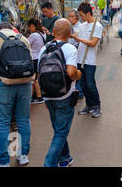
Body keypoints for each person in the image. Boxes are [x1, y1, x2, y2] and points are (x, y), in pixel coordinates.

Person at [0, 22, 34, 167]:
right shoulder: (23, 39)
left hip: (4, 84)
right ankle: (22, 156)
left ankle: (3, 162)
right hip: (25, 83)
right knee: (23, 120)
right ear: (11, 29)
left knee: (3, 123)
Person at [38, 19, 82, 167]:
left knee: (58, 129)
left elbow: (39, 74)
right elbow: (71, 72)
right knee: (61, 133)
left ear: (54, 32)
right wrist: (78, 74)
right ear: (69, 34)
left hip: (48, 95)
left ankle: (65, 158)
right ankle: (48, 164)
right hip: (64, 95)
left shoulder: (44, 49)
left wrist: (43, 96)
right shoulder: (69, 48)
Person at [70, 2, 103, 118]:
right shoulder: (83, 25)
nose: (81, 18)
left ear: (88, 13)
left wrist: (78, 39)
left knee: (90, 84)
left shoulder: (97, 26)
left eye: (82, 15)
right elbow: (76, 36)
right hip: (80, 59)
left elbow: (93, 43)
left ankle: (97, 106)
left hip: (89, 61)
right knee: (83, 84)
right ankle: (89, 105)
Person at [27, 18, 46, 104]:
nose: (29, 29)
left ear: (33, 26)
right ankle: (37, 95)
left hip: (34, 58)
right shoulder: (42, 34)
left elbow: (26, 43)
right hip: (41, 57)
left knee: (34, 78)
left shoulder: (33, 35)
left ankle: (38, 96)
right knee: (37, 77)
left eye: (30, 27)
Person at [68, 9, 84, 99]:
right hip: (73, 53)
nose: (70, 18)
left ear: (77, 18)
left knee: (76, 73)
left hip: (77, 53)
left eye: (72, 16)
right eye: (69, 16)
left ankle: (79, 92)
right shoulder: (73, 26)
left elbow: (78, 41)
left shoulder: (78, 27)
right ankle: (78, 91)